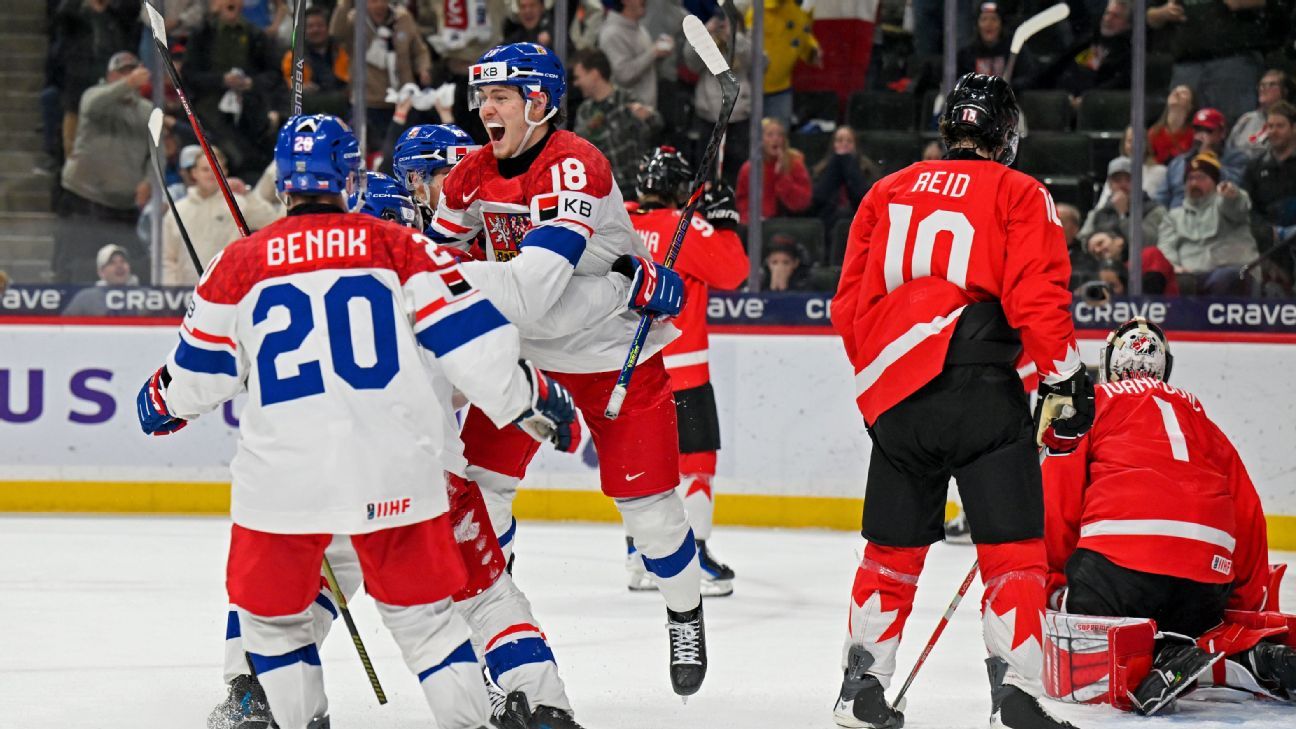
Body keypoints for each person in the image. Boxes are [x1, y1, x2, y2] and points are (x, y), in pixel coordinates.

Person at [141, 112, 580, 729]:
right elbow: (475, 345)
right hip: (405, 474)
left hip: (289, 482)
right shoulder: (405, 248)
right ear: (348, 179)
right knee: (445, 616)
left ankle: (261, 699)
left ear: (284, 184)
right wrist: (531, 399)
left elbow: (191, 379)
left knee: (274, 613)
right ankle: (522, 706)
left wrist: (159, 403)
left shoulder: (240, 262)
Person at [423, 42, 708, 697]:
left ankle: (685, 609)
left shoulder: (574, 166)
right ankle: (491, 620)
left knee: (654, 515)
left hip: (612, 357)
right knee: (478, 495)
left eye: (499, 97)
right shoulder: (468, 175)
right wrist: (620, 283)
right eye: (482, 95)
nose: (484, 108)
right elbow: (430, 276)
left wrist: (457, 278)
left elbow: (532, 298)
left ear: (541, 102)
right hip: (525, 358)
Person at [831, 73, 1093, 729]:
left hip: (897, 399)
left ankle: (860, 689)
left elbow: (847, 306)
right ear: (1005, 136)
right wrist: (1066, 377)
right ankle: (1015, 695)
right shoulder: (1019, 190)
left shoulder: (885, 190)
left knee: (889, 553)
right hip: (982, 389)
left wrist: (882, 383)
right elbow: (1037, 298)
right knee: (1014, 553)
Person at [1042, 318, 1295, 713]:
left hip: (1118, 573)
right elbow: (1247, 512)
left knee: (1073, 639)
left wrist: (1053, 584)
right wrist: (1244, 609)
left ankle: (1146, 664)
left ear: (1109, 363)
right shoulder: (1200, 418)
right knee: (1199, 628)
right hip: (1204, 584)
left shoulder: (1095, 405)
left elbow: (1058, 502)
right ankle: (1237, 653)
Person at [623, 147, 749, 597]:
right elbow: (735, 272)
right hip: (682, 371)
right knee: (695, 465)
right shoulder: (683, 225)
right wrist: (726, 222)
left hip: (628, 368)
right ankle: (692, 554)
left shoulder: (620, 222)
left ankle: (639, 555)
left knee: (641, 467)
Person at [54, 51, 153, 284]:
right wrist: (126, 84)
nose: (130, 77)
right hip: (84, 195)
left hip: (124, 203)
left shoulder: (147, 110)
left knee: (128, 265)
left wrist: (149, 180)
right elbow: (93, 106)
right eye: (123, 72)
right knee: (74, 263)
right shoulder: (93, 96)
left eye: (133, 71)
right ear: (110, 76)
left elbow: (154, 152)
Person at [184, 0, 285, 181]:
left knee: (263, 152)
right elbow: (189, 75)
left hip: (251, 109)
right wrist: (221, 80)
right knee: (235, 154)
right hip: (210, 109)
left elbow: (274, 75)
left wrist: (251, 83)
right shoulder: (202, 35)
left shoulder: (256, 35)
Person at [160, 146, 281, 286]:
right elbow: (168, 258)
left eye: (216, 168)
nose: (211, 174)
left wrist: (247, 194)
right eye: (205, 169)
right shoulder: (177, 211)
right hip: (187, 295)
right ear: (194, 173)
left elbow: (273, 223)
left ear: (225, 171)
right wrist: (172, 294)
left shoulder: (239, 204)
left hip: (230, 293)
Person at [330, 0, 433, 152]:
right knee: (369, 154)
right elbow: (336, 33)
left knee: (404, 149)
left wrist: (423, 68)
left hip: (402, 101)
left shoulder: (403, 18)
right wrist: (345, 3)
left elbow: (419, 50)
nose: (378, 5)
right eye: (372, 1)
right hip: (368, 102)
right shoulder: (354, 20)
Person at [1146, 0, 1268, 125]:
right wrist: (1164, 12)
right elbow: (1149, 16)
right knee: (1181, 124)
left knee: (1236, 125)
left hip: (1233, 57)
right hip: (1186, 63)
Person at [1157, 151, 1258, 294]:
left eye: (1201, 178)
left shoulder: (1225, 203)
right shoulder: (1174, 216)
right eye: (1190, 178)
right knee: (1176, 282)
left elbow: (1238, 207)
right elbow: (1165, 247)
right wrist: (1174, 267)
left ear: (1215, 182)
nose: (1194, 183)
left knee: (1226, 278)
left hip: (1230, 273)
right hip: (1190, 277)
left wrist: (1232, 195)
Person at [571, 48, 662, 195]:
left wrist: (648, 116)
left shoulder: (626, 99)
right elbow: (578, 152)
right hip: (602, 193)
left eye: (578, 77)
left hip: (634, 189)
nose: (576, 83)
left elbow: (657, 125)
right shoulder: (584, 111)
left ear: (594, 74)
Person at [1035, 0, 1132, 101]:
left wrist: (1084, 101)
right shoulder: (1087, 41)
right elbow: (1056, 66)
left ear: (1128, 24)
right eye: (1107, 13)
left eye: (1116, 16)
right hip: (1055, 96)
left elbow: (1115, 85)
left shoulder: (1126, 57)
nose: (1108, 19)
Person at [746, 0, 821, 128]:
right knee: (747, 140)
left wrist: (811, 50)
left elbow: (802, 34)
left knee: (779, 139)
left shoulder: (802, 9)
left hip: (781, 90)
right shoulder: (759, 9)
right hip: (751, 89)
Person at [1156, 107, 1248, 210]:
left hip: (1213, 219)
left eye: (1208, 131)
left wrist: (1208, 159)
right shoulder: (1178, 163)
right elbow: (1161, 200)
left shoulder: (1236, 159)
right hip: (1177, 219)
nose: (1200, 136)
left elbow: (1234, 190)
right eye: (1197, 130)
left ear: (1222, 133)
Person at [1079, 157, 1166, 251]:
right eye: (1117, 180)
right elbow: (1082, 240)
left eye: (1128, 179)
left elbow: (1147, 242)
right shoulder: (1099, 212)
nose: (1123, 185)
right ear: (1110, 184)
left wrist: (1122, 216)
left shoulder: (1155, 210)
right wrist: (1097, 241)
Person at [735, 118, 813, 223]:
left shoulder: (795, 163)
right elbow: (742, 202)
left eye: (780, 135)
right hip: (758, 224)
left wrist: (782, 176)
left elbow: (803, 202)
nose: (775, 139)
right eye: (770, 135)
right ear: (760, 140)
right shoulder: (749, 168)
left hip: (789, 222)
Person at [280, 5, 351, 117]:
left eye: (320, 25)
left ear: (327, 28)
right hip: (309, 111)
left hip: (342, 109)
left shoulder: (340, 50)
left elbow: (348, 79)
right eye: (310, 26)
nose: (316, 30)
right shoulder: (293, 56)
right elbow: (289, 81)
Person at [597, 0, 666, 110]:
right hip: (625, 116)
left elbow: (646, 68)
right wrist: (653, 52)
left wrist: (661, 53)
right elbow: (624, 75)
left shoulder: (640, 29)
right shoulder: (612, 33)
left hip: (646, 112)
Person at [812, 126, 878, 235]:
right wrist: (836, 164)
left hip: (858, 224)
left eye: (849, 141)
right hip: (827, 226)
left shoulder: (868, 171)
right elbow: (819, 199)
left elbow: (863, 198)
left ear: (856, 146)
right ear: (833, 145)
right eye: (840, 140)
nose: (844, 144)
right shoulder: (820, 171)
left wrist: (848, 163)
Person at [957, 2, 1037, 88]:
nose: (989, 24)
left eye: (994, 19)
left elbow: (1029, 75)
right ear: (977, 25)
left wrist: (1007, 87)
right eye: (984, 19)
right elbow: (959, 81)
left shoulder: (1014, 49)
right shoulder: (966, 54)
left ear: (1001, 24)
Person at [1228, 69, 1294, 161]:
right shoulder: (1246, 120)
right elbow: (1229, 153)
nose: (1263, 88)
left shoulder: (1291, 120)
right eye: (1261, 85)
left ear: (1285, 91)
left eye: (1271, 85)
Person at [62, 244, 142, 316]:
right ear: (101, 272)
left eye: (123, 261)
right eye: (112, 263)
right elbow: (62, 327)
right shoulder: (86, 298)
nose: (119, 266)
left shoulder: (145, 296)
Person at [1147, 84, 1196, 165]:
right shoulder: (1154, 133)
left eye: (1183, 93)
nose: (1176, 93)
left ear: (1190, 106)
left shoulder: (1193, 135)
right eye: (1174, 91)